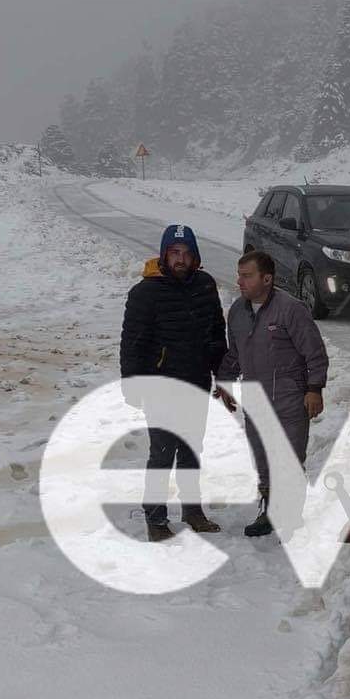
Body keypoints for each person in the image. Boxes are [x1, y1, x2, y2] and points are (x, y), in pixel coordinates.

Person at [120, 223, 227, 541]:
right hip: (160, 387)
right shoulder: (145, 293)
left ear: (195, 257)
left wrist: (221, 376)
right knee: (163, 453)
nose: (180, 259)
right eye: (174, 253)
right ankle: (155, 520)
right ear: (164, 255)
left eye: (186, 253)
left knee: (193, 449)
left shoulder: (205, 286)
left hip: (195, 382)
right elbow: (132, 343)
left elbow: (215, 335)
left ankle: (192, 510)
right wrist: (132, 385)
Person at [214, 248, 327, 538]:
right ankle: (269, 512)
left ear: (267, 279)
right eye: (239, 275)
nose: (240, 282)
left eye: (247, 276)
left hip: (290, 399)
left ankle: (290, 517)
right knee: (264, 461)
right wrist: (225, 382)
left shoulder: (291, 309)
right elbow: (235, 352)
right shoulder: (238, 312)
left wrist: (314, 389)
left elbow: (314, 353)